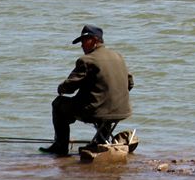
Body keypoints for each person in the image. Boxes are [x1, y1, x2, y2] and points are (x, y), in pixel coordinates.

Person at [40, 25, 134, 156]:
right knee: (102, 102)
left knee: (58, 104)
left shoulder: (86, 60)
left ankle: (60, 146)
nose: (82, 45)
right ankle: (101, 139)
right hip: (122, 110)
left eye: (84, 41)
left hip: (98, 111)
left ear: (95, 40)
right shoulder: (118, 56)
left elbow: (69, 87)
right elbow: (130, 83)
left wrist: (60, 88)